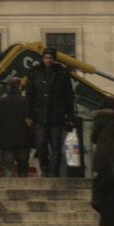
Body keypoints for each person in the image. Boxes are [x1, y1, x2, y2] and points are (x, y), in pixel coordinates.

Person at [31, 48, 74, 179]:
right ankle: (45, 167)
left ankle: (53, 172)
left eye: (50, 58)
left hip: (57, 115)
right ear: (43, 59)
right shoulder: (35, 73)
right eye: (46, 57)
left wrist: (69, 116)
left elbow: (68, 96)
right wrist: (29, 114)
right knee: (41, 143)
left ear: (54, 59)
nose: (48, 60)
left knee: (56, 145)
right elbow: (30, 94)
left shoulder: (62, 73)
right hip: (40, 114)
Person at [0, 66, 33, 176]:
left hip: (5, 142)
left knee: (8, 169)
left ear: (8, 88)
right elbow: (30, 122)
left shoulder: (0, 102)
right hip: (23, 141)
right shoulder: (25, 101)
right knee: (23, 169)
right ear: (19, 87)